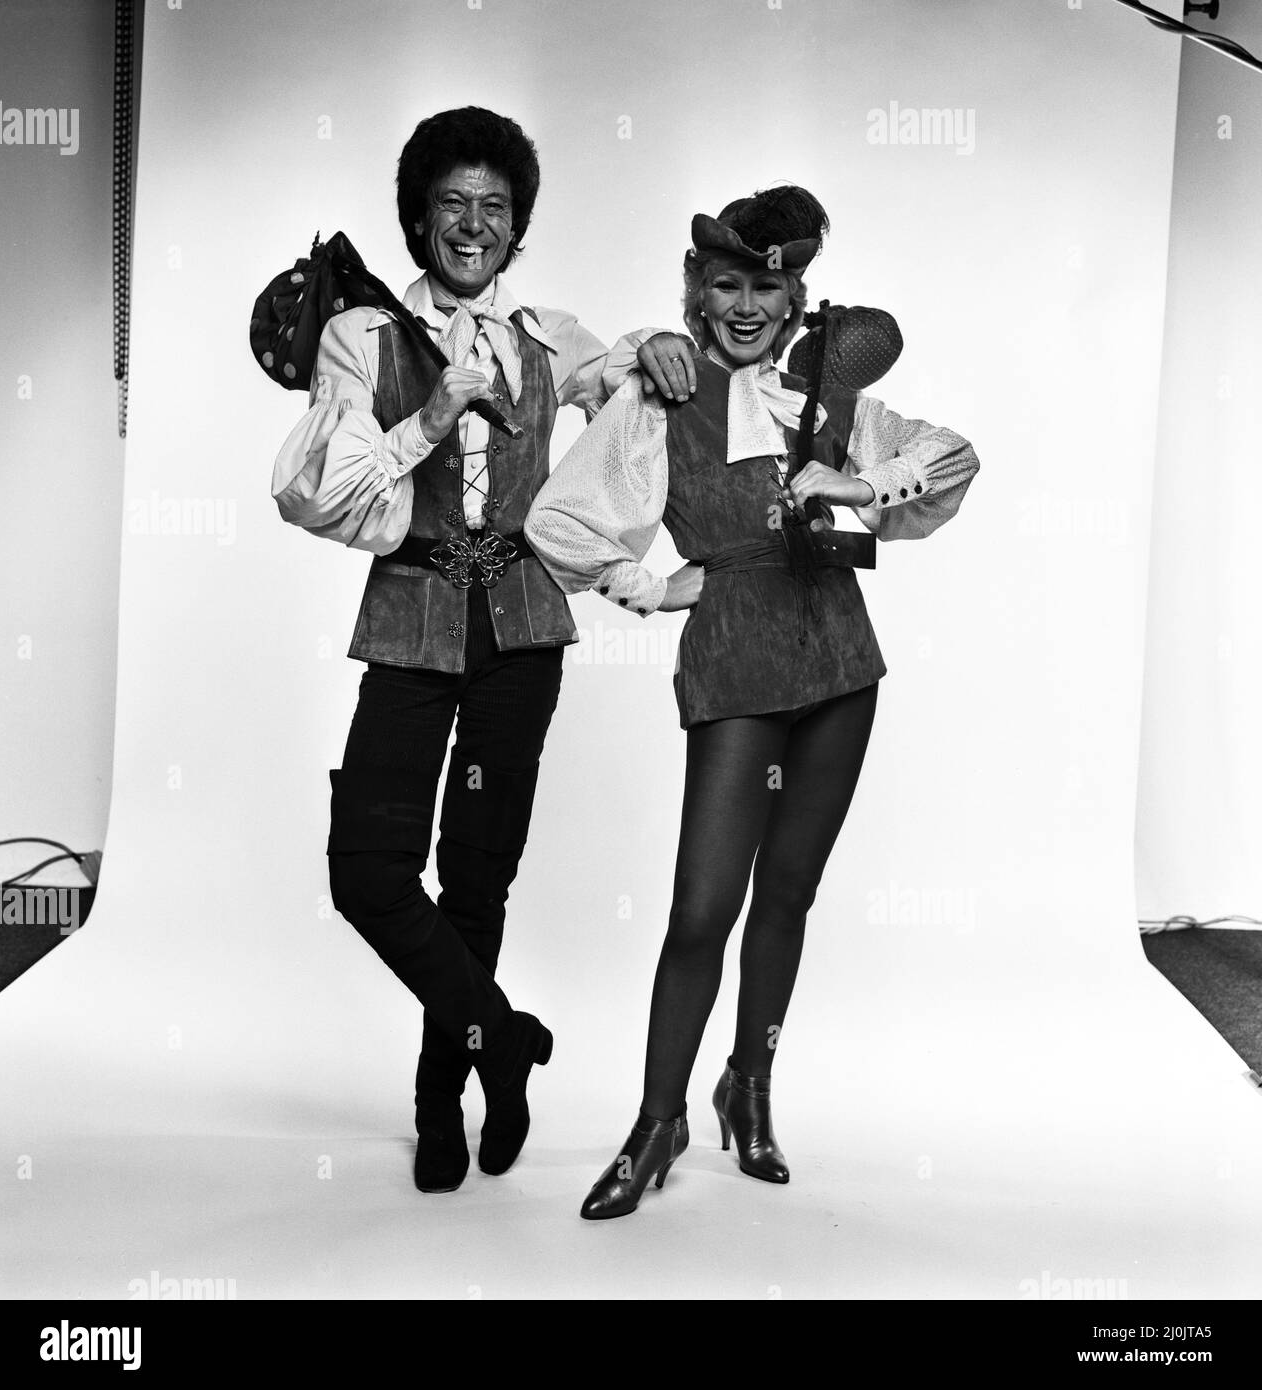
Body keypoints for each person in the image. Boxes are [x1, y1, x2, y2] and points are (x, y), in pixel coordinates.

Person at [525, 185, 980, 1219]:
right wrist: (652, 583)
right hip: (734, 667)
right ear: (697, 291)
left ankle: (751, 1082)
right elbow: (561, 524)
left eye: (764, 287)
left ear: (792, 298)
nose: (744, 305)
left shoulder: (821, 403)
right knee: (700, 909)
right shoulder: (657, 395)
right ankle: (658, 1120)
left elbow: (953, 456)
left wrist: (853, 485)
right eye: (724, 283)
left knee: (788, 897)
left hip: (840, 669)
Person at [270, 107, 690, 1195]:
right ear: (418, 218)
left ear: (518, 229)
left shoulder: (550, 335)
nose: (473, 224)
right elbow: (314, 492)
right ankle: (502, 1038)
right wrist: (430, 415)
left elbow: (630, 389)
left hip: (524, 627)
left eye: (494, 208)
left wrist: (661, 344)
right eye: (452, 203)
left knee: (476, 875)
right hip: (411, 615)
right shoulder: (361, 336)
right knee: (368, 868)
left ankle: (442, 1103)